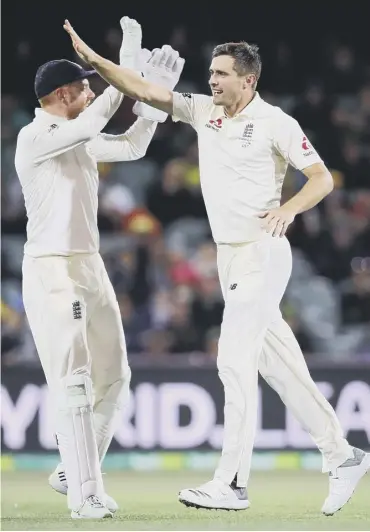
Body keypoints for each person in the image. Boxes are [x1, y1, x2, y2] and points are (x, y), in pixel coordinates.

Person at [63, 19, 370, 516]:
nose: (211, 80)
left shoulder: (276, 122)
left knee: (232, 360)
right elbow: (143, 87)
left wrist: (289, 209)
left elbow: (321, 179)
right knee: (284, 370)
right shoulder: (204, 111)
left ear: (248, 79)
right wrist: (96, 60)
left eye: (222, 74)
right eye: (210, 72)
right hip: (231, 259)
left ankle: (231, 483)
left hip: (263, 251)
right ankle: (344, 454)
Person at [15, 18, 184, 519]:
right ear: (64, 93)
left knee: (116, 378)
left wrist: (151, 102)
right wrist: (133, 74)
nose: (91, 96)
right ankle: (84, 495)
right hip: (50, 269)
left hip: (88, 266)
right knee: (75, 379)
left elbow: (132, 145)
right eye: (86, 88)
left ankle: (72, 468)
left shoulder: (75, 135)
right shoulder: (36, 136)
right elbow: (91, 124)